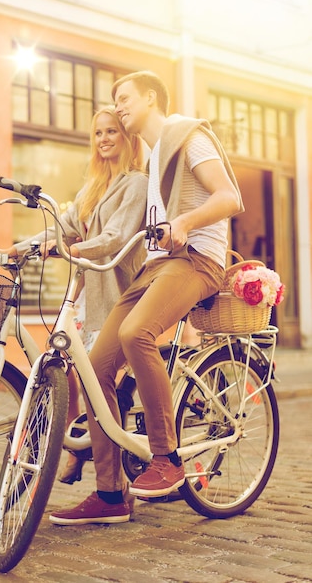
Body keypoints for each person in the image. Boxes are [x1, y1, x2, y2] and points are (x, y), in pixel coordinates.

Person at [49, 70, 244, 526]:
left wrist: (186, 222)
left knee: (138, 333)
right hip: (157, 266)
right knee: (95, 370)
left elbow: (229, 197)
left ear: (152, 98)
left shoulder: (187, 135)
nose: (117, 106)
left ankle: (167, 457)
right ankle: (110, 493)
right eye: (115, 100)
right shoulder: (156, 158)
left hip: (198, 260)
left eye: (125, 98)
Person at [0, 106, 148, 483]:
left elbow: (115, 238)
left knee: (103, 385)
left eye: (112, 132)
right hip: (88, 296)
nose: (104, 139)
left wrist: (72, 250)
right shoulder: (93, 186)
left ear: (127, 137)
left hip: (120, 294)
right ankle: (82, 450)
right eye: (99, 133)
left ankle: (111, 475)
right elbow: (64, 228)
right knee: (76, 373)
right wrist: (16, 249)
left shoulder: (135, 183)